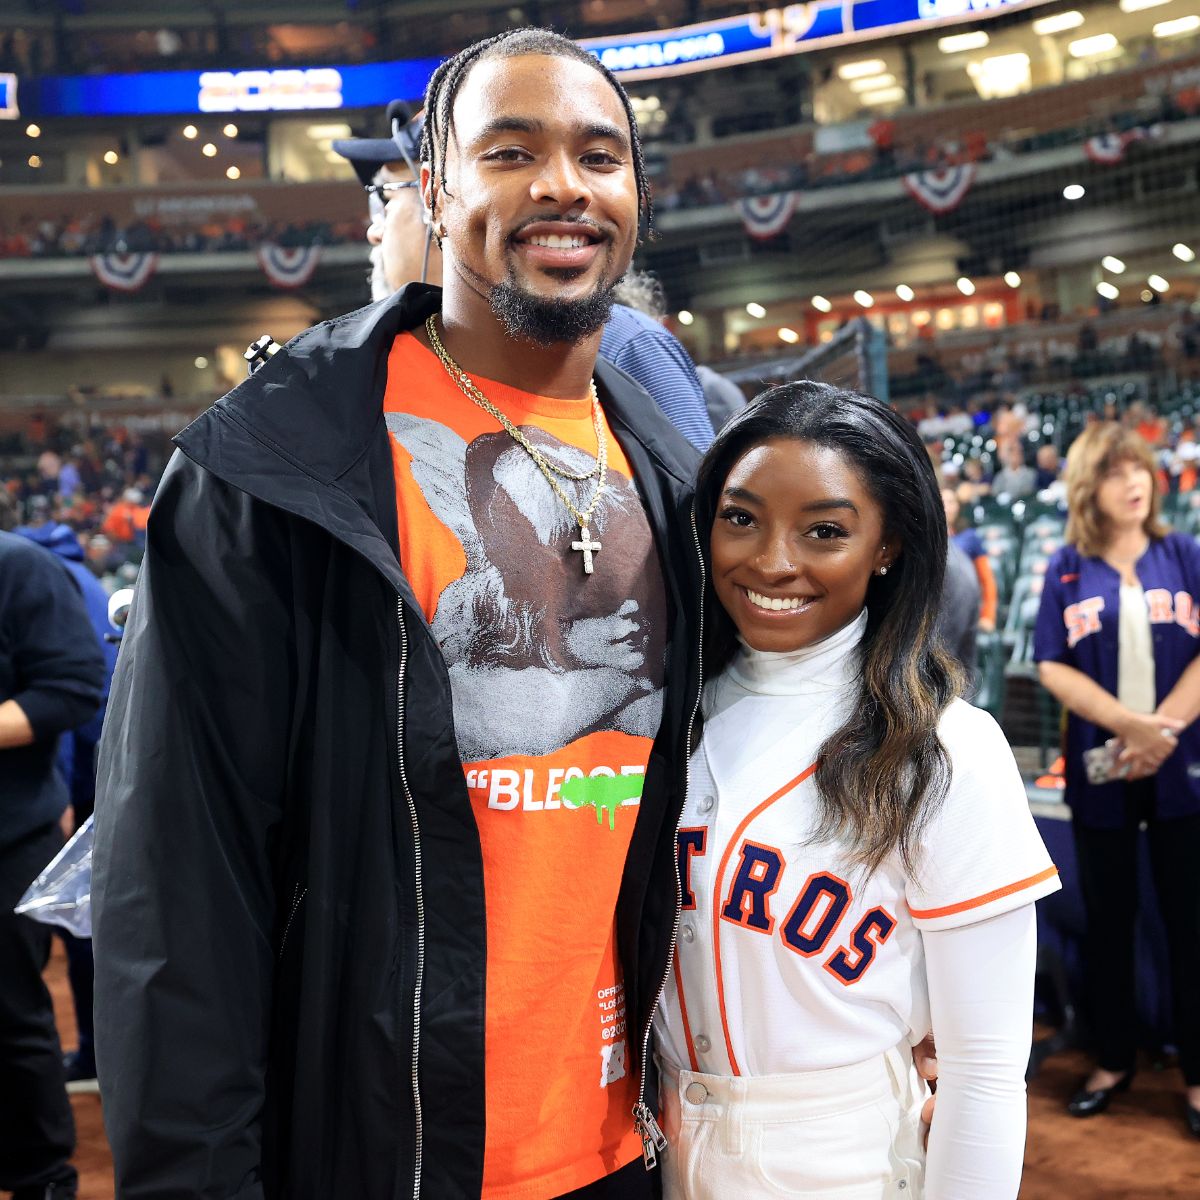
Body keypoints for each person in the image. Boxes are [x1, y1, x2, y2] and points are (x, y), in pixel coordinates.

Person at [94, 29, 704, 1200]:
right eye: (510, 151)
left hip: (631, 1153)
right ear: (432, 190)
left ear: (634, 194)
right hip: (379, 1152)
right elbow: (179, 882)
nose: (562, 184)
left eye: (600, 154)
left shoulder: (679, 470)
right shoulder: (273, 465)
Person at [654, 381, 1061, 1199]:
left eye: (825, 531)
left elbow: (983, 1071)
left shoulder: (949, 750)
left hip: (846, 1153)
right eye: (740, 517)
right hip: (656, 1139)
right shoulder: (659, 717)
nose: (771, 560)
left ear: (887, 547)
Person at [335, 103, 715, 450]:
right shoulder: (406, 364)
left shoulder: (626, 345)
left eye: (383, 199)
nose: (374, 230)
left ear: (434, 201)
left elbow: (695, 516)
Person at [1033, 422, 1200, 1136]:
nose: (1134, 482)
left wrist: (1158, 730)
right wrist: (1125, 726)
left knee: (1191, 925)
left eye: (1141, 468)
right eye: (1115, 472)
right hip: (1102, 772)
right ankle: (1112, 1059)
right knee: (1109, 923)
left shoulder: (1183, 553)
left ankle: (1196, 1074)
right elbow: (1051, 661)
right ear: (1088, 488)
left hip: (1181, 770)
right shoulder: (1066, 566)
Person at [0, 529, 107, 1200]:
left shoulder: (21, 568)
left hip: (8, 837)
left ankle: (40, 1176)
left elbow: (73, 687)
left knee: (9, 1014)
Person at [13, 509, 119, 1091]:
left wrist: (60, 803)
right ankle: (103, 1054)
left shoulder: (29, 575)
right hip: (109, 754)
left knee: (81, 915)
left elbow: (66, 702)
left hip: (83, 764)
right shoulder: (76, 575)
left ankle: (96, 1056)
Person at [941, 484, 998, 634]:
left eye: (951, 502)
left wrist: (988, 616)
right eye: (942, 502)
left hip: (963, 611)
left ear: (959, 506)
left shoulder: (970, 537)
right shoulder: (927, 538)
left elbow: (987, 580)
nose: (947, 507)